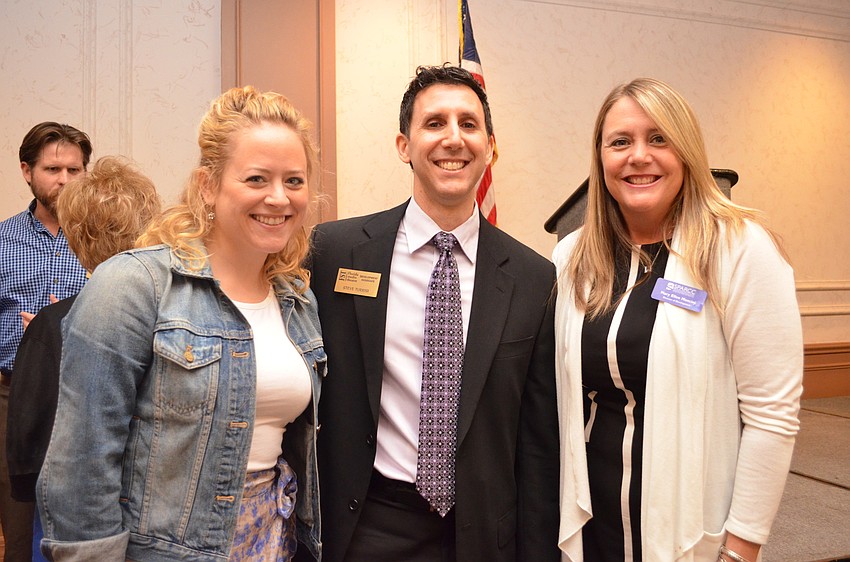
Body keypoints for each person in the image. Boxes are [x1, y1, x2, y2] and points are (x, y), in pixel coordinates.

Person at [37, 86, 324, 561]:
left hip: (276, 541)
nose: (279, 198)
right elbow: (81, 462)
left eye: (294, 181)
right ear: (208, 185)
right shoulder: (133, 285)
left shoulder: (298, 300)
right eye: (256, 178)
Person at [308, 64, 560, 562]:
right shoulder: (336, 252)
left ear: (491, 146)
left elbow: (536, 443)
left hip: (483, 536)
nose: (453, 139)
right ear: (405, 146)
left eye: (469, 124)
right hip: (368, 525)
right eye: (434, 123)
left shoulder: (534, 278)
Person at [553, 77, 803, 561]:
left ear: (686, 151)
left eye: (659, 138)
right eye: (620, 142)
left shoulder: (739, 249)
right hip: (592, 525)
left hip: (688, 530)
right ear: (601, 158)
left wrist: (741, 548)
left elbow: (772, 415)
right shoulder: (572, 257)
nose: (638, 156)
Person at [6, 155, 161, 561]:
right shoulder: (177, 313)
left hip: (72, 511)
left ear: (75, 237)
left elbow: (30, 425)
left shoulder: (53, 322)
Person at [0, 121, 92, 561]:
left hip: (89, 398)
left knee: (82, 526)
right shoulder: (2, 241)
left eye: (75, 170)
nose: (65, 180)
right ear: (27, 171)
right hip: (12, 395)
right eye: (54, 169)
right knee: (20, 528)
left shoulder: (108, 240)